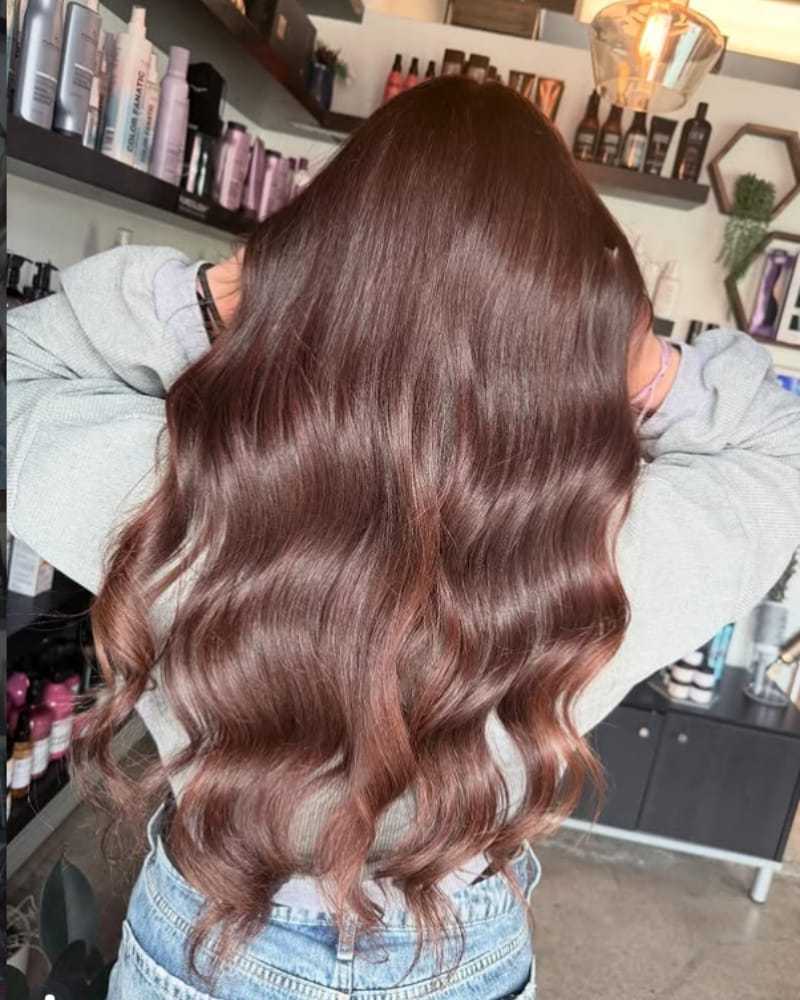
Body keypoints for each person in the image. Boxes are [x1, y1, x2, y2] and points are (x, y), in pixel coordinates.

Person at [7, 77, 800, 1000]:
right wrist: (641, 363)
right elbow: (778, 443)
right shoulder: (611, 555)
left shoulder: (176, 495)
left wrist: (216, 301)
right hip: (459, 960)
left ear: (303, 278)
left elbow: (22, 361)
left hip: (204, 943)